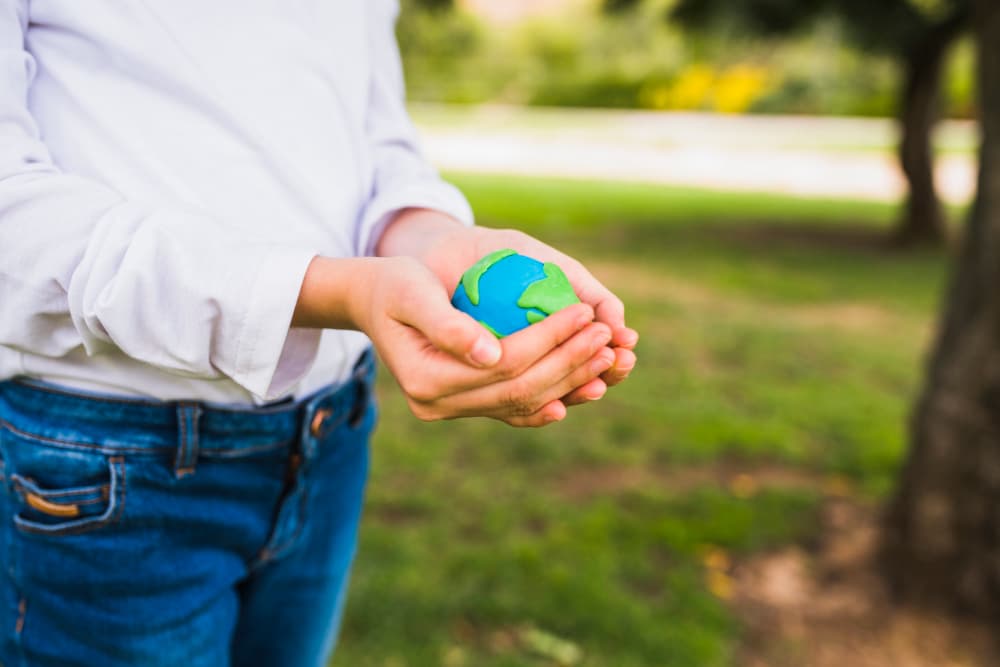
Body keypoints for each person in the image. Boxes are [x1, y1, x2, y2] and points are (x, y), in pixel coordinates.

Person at [0, 1, 638, 665]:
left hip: (331, 435)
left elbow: (375, 142)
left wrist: (436, 242)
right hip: (108, 471)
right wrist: (334, 289)